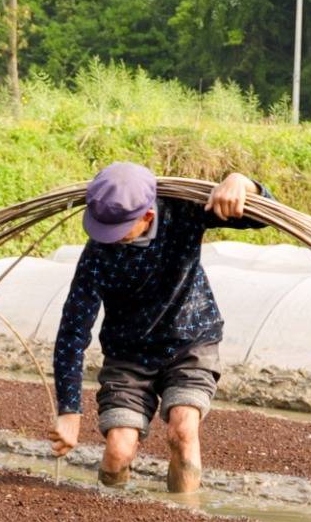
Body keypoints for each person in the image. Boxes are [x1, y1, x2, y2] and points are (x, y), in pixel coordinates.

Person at [46, 160, 262, 494]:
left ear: (147, 216)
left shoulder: (184, 212)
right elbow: (73, 332)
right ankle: (111, 513)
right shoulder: (97, 255)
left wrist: (242, 183)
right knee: (118, 450)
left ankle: (185, 517)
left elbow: (260, 216)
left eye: (118, 231)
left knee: (183, 430)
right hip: (128, 355)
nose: (110, 239)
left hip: (190, 339)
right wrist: (69, 410)